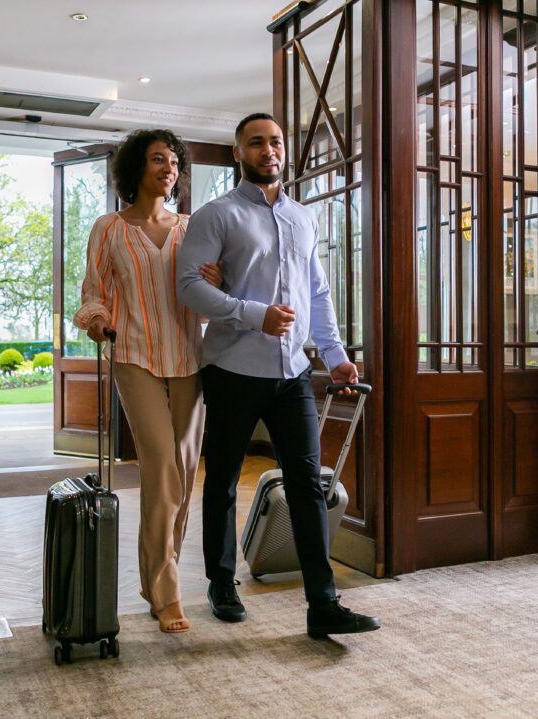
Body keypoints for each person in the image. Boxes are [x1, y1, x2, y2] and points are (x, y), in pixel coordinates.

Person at [176, 113, 381, 639]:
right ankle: (221, 584)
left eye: (275, 142)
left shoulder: (304, 217)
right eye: (256, 143)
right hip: (231, 369)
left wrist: (334, 353)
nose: (268, 150)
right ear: (238, 151)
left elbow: (317, 291)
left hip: (293, 374)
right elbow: (189, 288)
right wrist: (253, 313)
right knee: (221, 482)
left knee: (309, 488)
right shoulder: (215, 215)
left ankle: (323, 605)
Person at [74, 128, 222, 634]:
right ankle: (167, 591)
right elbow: (93, 291)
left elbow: (210, 288)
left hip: (189, 357)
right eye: (159, 159)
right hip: (134, 355)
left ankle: (158, 575)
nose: (170, 168)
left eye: (175, 161)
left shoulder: (191, 227)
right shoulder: (109, 228)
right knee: (160, 463)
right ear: (136, 167)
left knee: (181, 473)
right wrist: (96, 319)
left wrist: (218, 285)